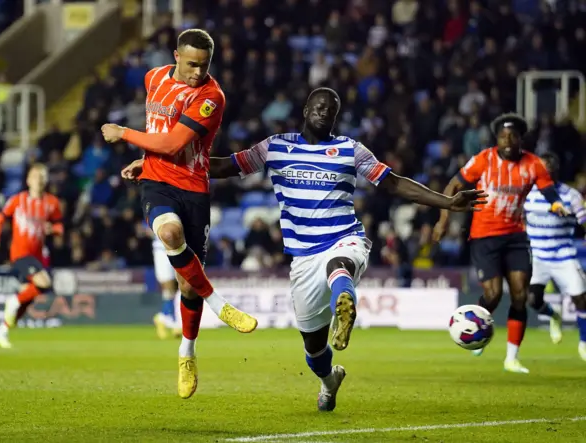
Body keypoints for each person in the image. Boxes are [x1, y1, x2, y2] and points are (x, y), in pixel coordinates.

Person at [203, 87, 485, 411]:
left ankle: (344, 301)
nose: (324, 113)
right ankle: (329, 380)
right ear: (306, 108)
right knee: (313, 347)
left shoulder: (350, 150)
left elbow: (393, 183)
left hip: (344, 237)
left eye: (331, 111)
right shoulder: (276, 146)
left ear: (336, 118)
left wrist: (447, 201)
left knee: (339, 264)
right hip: (303, 257)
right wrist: (170, 165)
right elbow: (226, 166)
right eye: (319, 107)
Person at [101, 28, 257, 399]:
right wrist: (146, 160)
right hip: (157, 183)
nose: (197, 73)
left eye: (204, 66)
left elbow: (173, 143)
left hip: (193, 189)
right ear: (175, 55)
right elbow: (160, 131)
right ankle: (219, 305)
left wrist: (124, 133)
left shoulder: (210, 97)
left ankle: (186, 350)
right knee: (170, 235)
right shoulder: (153, 78)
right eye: (190, 65)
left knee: (188, 285)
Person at [433, 113, 570, 374]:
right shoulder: (483, 159)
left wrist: (557, 204)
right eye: (503, 136)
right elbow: (453, 184)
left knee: (520, 295)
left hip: (516, 236)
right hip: (484, 236)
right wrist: (442, 219)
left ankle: (512, 358)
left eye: (513, 136)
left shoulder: (533, 163)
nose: (507, 140)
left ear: (521, 139)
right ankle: (479, 328)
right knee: (494, 295)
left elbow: (548, 189)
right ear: (497, 139)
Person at [0, 163, 63, 348]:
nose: (39, 179)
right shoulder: (17, 200)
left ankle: (2, 330)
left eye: (43, 176)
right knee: (44, 283)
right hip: (20, 254)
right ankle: (13, 300)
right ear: (28, 180)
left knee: (27, 298)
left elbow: (60, 227)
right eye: (36, 175)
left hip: (37, 256)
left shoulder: (52, 203)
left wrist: (52, 229)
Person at [523, 152, 586, 360]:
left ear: (556, 171)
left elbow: (583, 221)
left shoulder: (571, 195)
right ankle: (553, 315)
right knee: (532, 299)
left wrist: (578, 220)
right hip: (538, 256)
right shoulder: (527, 193)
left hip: (563, 255)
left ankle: (584, 342)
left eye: (549, 168)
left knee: (581, 299)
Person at [152, 236, 180, 339]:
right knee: (168, 284)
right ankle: (171, 319)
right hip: (162, 248)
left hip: (180, 246)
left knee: (178, 285)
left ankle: (163, 317)